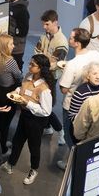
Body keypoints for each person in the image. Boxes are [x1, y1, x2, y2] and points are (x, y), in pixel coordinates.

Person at [2, 54, 55, 185]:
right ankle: (10, 164)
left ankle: (34, 170)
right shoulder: (28, 76)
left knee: (34, 146)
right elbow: (22, 87)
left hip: (36, 120)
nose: (29, 66)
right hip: (24, 116)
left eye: (33, 65)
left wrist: (27, 104)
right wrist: (16, 91)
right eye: (30, 63)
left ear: (41, 68)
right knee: (17, 141)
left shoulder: (44, 88)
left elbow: (46, 111)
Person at [57, 28, 99, 169]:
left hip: (72, 105)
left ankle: (74, 163)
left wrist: (64, 71)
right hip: (94, 100)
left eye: (71, 38)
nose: (69, 39)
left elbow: (64, 89)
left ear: (77, 43)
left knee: (70, 136)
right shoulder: (96, 54)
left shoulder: (72, 64)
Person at [34, 9, 68, 138]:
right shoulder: (44, 36)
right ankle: (47, 128)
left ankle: (60, 132)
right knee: (41, 102)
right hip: (42, 73)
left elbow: (55, 63)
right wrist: (42, 61)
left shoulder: (62, 42)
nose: (44, 27)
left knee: (45, 106)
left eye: (47, 24)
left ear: (55, 22)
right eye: (43, 24)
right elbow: (36, 51)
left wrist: (41, 63)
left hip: (51, 77)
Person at [0, 34, 22, 155]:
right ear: (4, 46)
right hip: (9, 92)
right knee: (5, 122)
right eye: (11, 44)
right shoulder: (10, 61)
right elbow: (19, 76)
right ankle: (2, 148)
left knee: (0, 119)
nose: (14, 46)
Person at [68, 62, 99, 143]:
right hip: (83, 131)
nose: (98, 77)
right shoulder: (80, 92)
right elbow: (72, 116)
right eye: (94, 73)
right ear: (88, 76)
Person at [4, 0, 30, 71]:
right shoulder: (9, 2)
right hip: (9, 43)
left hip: (17, 46)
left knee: (17, 66)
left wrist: (10, 33)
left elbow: (23, 31)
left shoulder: (22, 10)